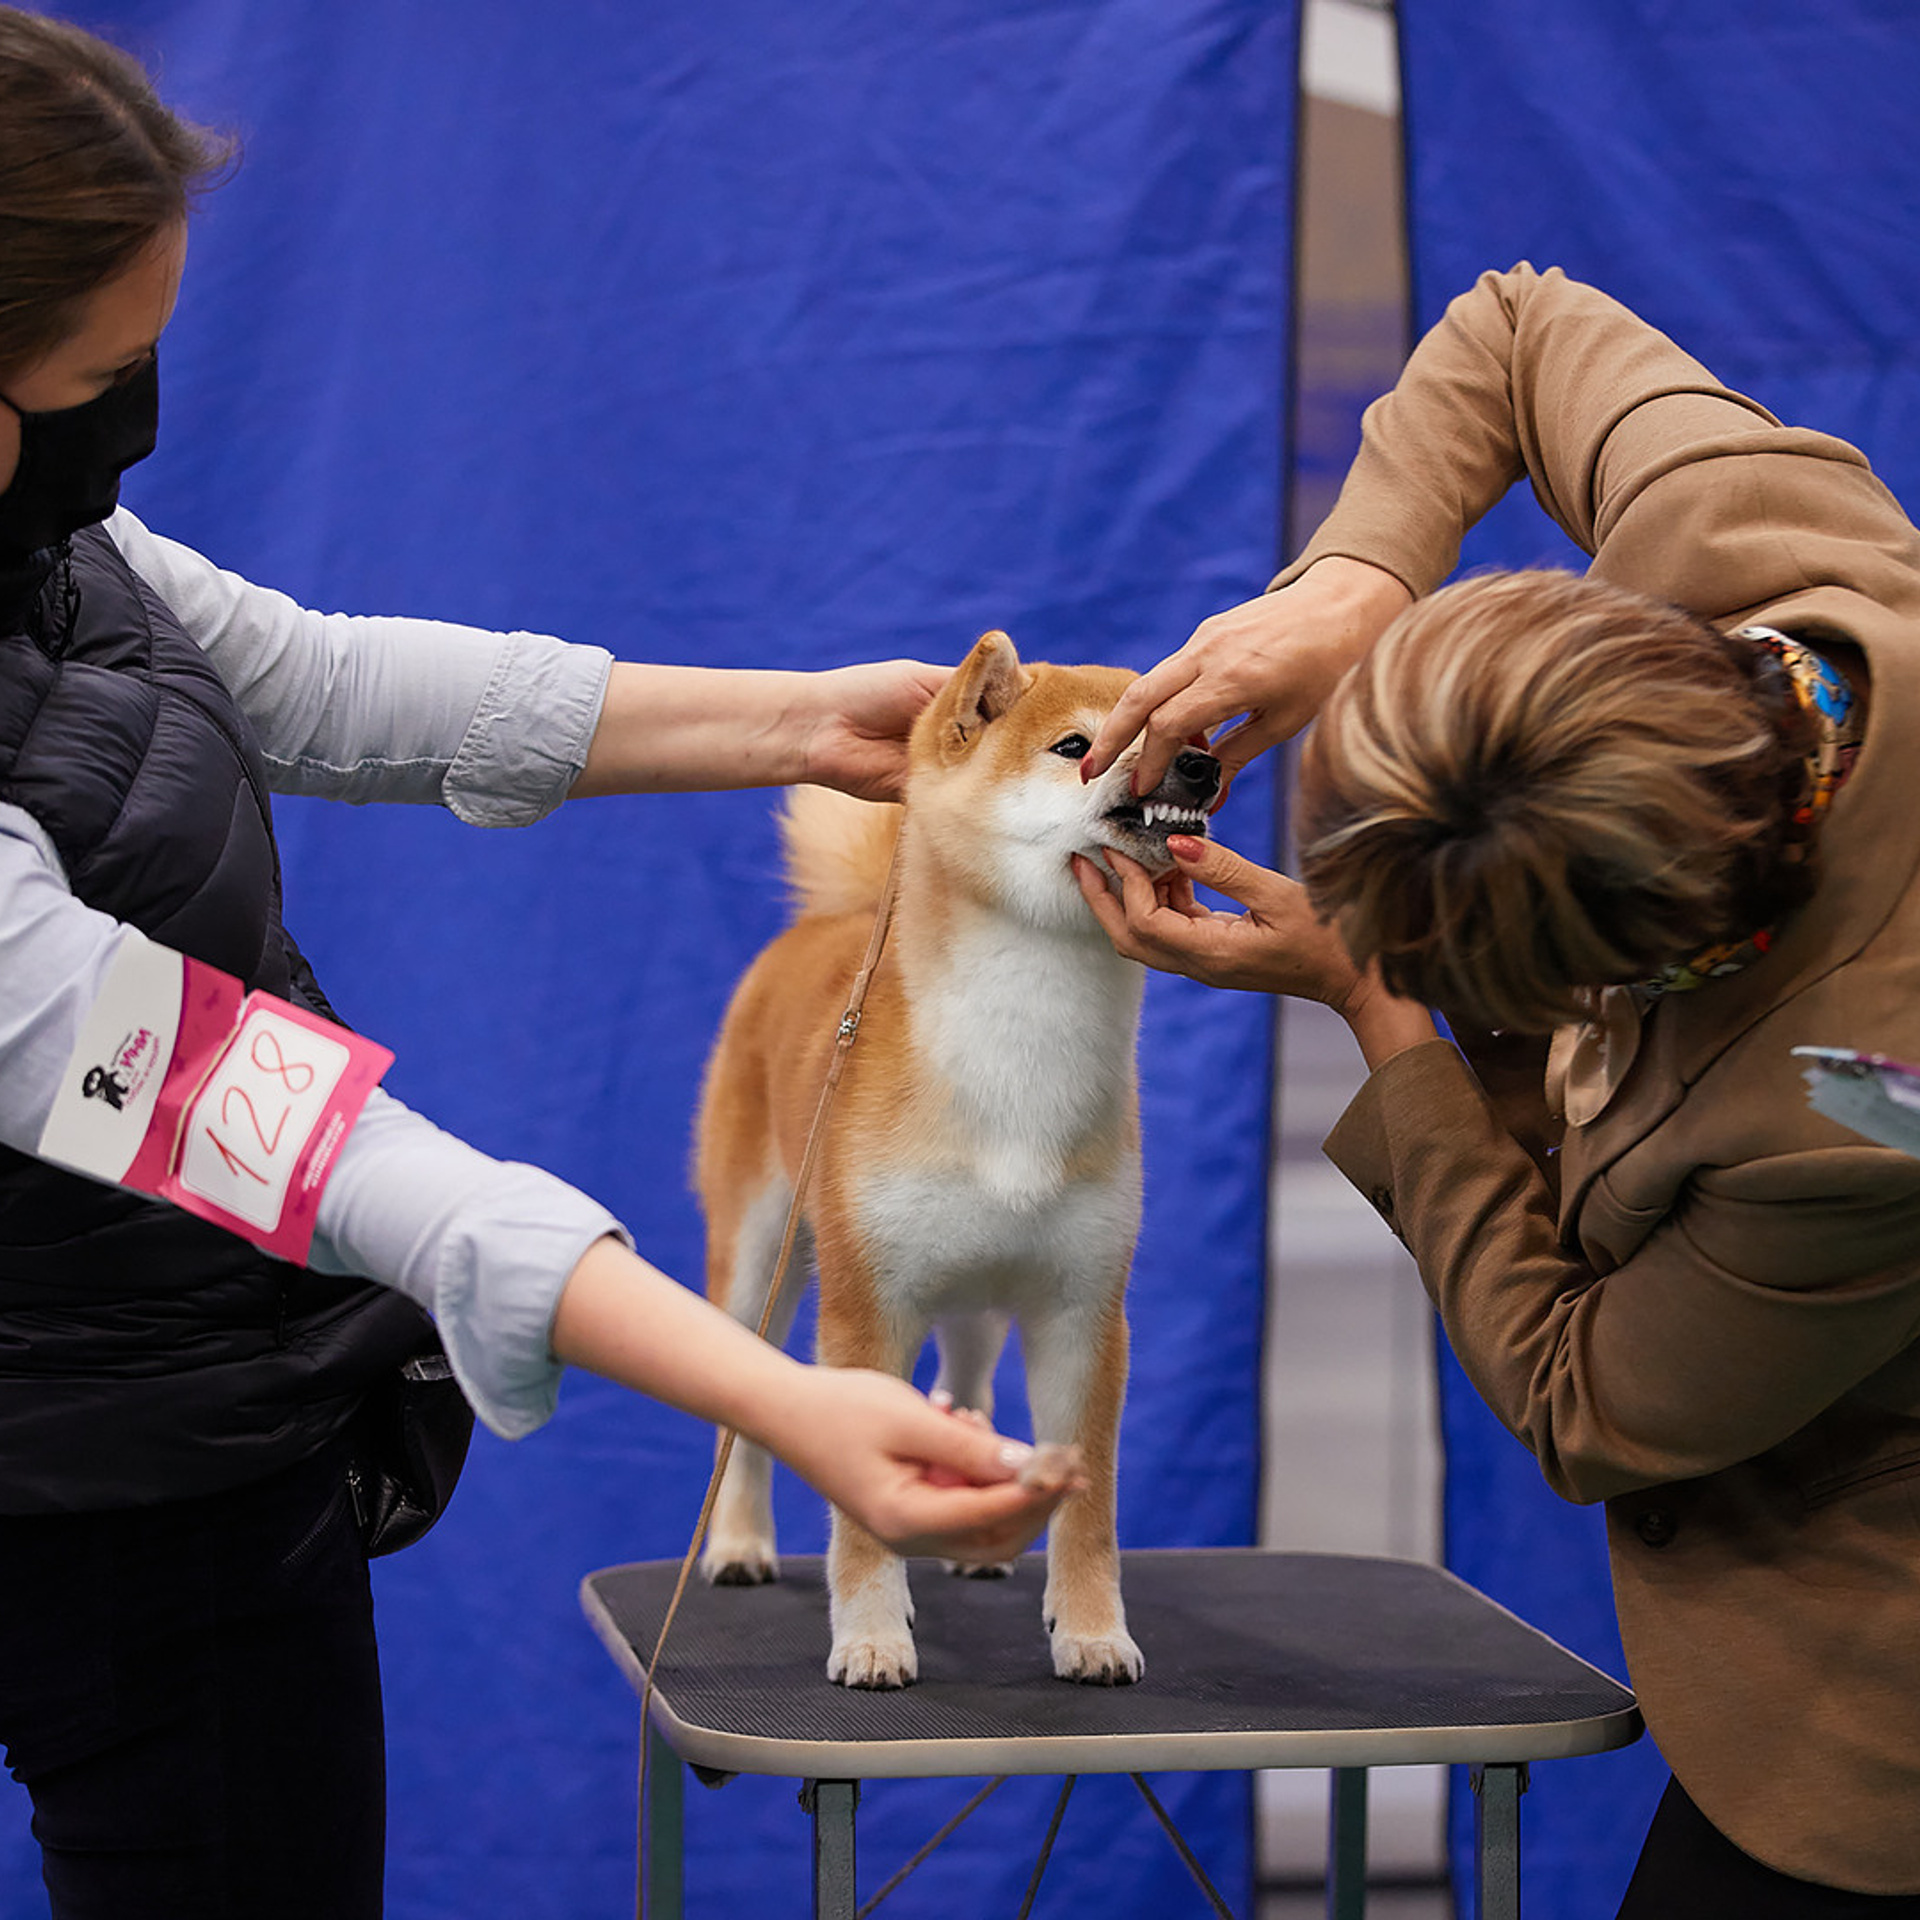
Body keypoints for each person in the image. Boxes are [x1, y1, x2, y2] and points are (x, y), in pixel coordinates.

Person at [0, 12, 1073, 1917]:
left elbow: (319, 678)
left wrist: (799, 720)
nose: (139, 412)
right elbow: (269, 1127)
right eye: (106, 368)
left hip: (204, 1454)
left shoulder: (58, 558)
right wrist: (776, 1392)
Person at [1073, 261, 1920, 1916]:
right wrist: (1353, 580)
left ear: (1642, 980)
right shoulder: (1756, 535)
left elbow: (1591, 1399)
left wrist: (1378, 1009)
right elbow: (1523, 322)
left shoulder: (1853, 1119)